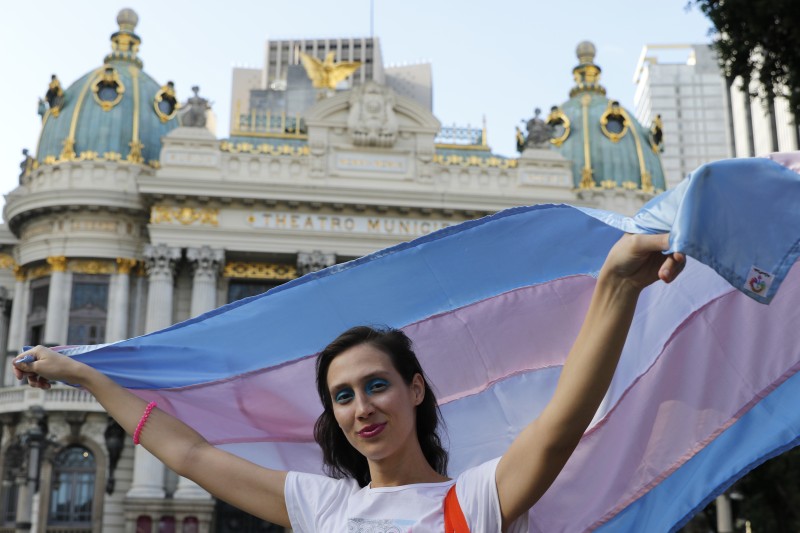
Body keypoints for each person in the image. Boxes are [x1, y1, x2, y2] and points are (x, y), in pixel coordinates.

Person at [13, 233, 684, 531]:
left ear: (416, 388)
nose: (360, 407)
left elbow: (561, 420)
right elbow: (188, 453)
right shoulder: (326, 508)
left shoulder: (474, 502)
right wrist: (83, 372)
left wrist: (615, 285)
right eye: (341, 395)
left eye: (376, 385)